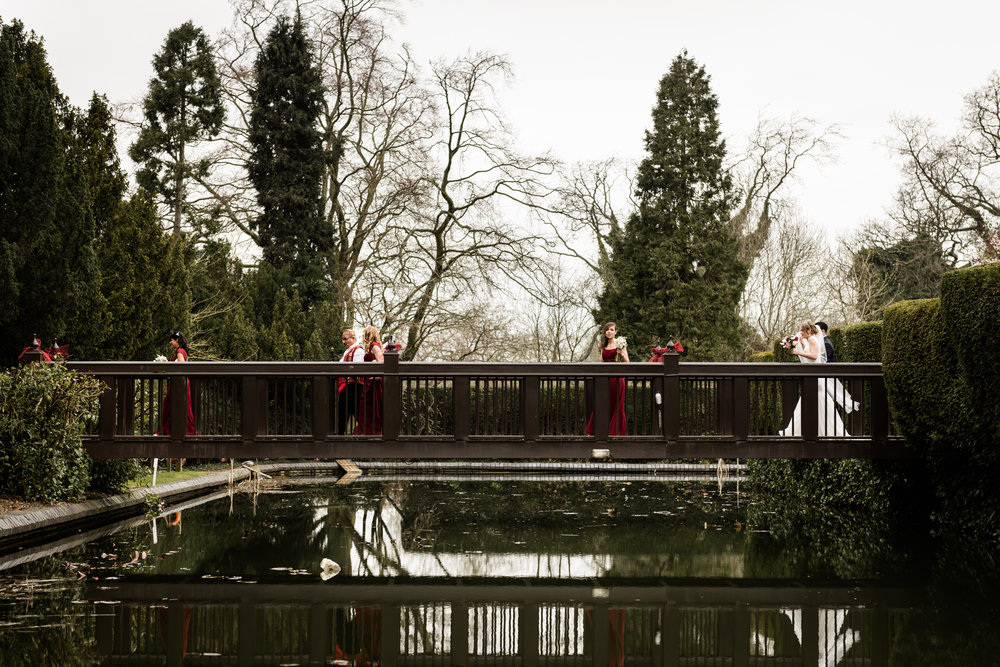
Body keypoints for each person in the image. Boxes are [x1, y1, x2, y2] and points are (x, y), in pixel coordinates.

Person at [778, 322, 848, 437]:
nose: (800, 332)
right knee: (810, 401)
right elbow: (809, 352)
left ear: (809, 331)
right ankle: (809, 431)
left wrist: (797, 351)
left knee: (819, 401)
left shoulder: (812, 340)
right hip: (812, 375)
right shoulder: (810, 340)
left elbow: (815, 356)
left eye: (802, 330)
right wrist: (800, 343)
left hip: (816, 377)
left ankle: (826, 431)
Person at [585, 322, 628, 436]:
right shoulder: (603, 346)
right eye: (607, 330)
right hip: (606, 379)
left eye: (612, 330)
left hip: (618, 379)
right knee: (603, 403)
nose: (609, 331)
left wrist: (621, 354)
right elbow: (601, 362)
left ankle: (615, 433)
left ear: (615, 332)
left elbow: (627, 362)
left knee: (617, 405)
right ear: (605, 332)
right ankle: (595, 431)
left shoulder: (620, 344)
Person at [156, 332, 197, 436]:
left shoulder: (179, 351)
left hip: (179, 382)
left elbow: (181, 367)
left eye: (172, 340)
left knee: (170, 405)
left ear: (177, 340)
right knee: (184, 406)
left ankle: (168, 431)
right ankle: (183, 430)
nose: (170, 342)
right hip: (183, 381)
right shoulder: (184, 351)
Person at [355, 326, 385, 435]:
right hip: (368, 381)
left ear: (368, 334)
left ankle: (372, 431)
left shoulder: (374, 346)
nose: (363, 336)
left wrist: (374, 369)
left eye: (364, 334)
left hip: (373, 382)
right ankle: (366, 431)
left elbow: (381, 361)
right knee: (366, 407)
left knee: (371, 407)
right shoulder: (370, 347)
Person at [336, 329, 365, 434]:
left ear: (353, 338)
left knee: (355, 411)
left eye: (345, 339)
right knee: (343, 411)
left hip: (354, 386)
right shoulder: (347, 351)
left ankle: (359, 433)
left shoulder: (359, 351)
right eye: (342, 339)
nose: (343, 342)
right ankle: (340, 434)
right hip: (346, 385)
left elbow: (357, 368)